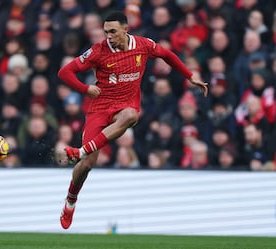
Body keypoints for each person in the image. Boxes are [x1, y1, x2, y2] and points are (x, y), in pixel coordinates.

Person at [57, 11, 208, 230]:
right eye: (106, 31)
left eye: (113, 31)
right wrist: (85, 88)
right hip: (99, 109)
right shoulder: (98, 51)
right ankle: (71, 200)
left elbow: (167, 55)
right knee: (87, 165)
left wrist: (189, 75)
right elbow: (65, 72)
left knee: (131, 115)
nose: (109, 36)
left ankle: (80, 151)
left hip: (124, 107)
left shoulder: (143, 45)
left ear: (126, 29)